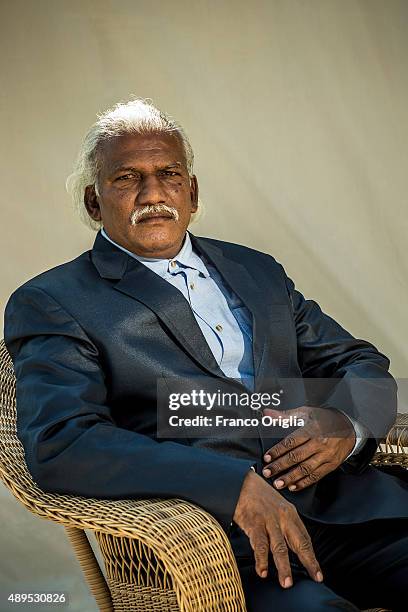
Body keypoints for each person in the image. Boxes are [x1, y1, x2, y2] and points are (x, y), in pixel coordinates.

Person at [4, 98, 407, 612]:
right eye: (127, 178)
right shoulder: (53, 301)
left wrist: (346, 425)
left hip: (350, 512)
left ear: (191, 192)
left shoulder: (256, 270)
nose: (153, 194)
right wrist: (227, 484)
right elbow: (64, 442)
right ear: (93, 201)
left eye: (169, 174)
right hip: (218, 547)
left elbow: (359, 362)